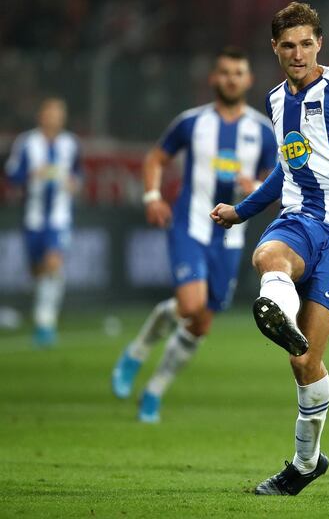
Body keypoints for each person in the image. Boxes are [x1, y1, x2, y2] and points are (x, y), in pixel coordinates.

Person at [210, 2, 329, 496]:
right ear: (274, 49)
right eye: (287, 46)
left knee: (304, 363)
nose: (297, 54)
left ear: (319, 43)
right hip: (300, 217)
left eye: (306, 44)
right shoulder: (277, 99)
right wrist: (242, 211)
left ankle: (304, 463)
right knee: (265, 256)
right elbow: (287, 167)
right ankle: (277, 310)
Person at [111, 46, 276, 422]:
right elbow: (156, 158)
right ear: (214, 78)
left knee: (201, 321)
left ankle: (153, 392)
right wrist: (152, 195)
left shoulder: (262, 131)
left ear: (248, 80)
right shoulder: (192, 122)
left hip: (231, 237)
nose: (231, 78)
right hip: (190, 225)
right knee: (189, 305)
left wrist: (257, 184)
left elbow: (277, 179)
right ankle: (135, 353)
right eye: (225, 72)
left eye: (239, 72)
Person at [4, 97, 81, 347]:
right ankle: (42, 314)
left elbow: (78, 173)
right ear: (41, 115)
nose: (55, 118)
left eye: (59, 113)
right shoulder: (26, 142)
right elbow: (11, 174)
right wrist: (30, 174)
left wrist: (74, 183)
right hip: (33, 217)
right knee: (38, 271)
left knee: (53, 262)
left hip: (60, 217)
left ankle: (45, 323)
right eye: (51, 112)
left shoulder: (71, 144)